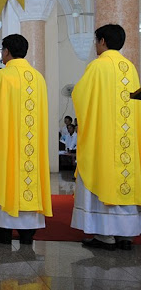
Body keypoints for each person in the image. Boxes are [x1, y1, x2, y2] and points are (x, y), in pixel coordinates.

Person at [71, 24, 141, 251]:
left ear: (102, 41)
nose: (95, 46)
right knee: (124, 179)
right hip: (127, 141)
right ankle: (125, 235)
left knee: (101, 177)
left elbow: (81, 95)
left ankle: (104, 235)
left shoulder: (98, 66)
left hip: (103, 138)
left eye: (96, 41)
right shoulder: (130, 68)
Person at [0, 34, 52, 244]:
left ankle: (3, 233)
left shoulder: (1, 77)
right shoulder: (38, 78)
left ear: (7, 51)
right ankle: (28, 232)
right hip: (31, 148)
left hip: (7, 145)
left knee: (5, 179)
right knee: (29, 182)